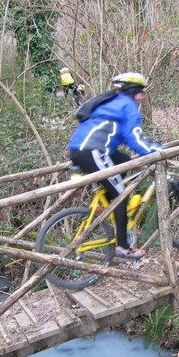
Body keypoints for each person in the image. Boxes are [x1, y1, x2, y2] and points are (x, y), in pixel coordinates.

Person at [68, 72, 163, 259]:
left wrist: (151, 145)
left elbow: (125, 139)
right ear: (133, 91)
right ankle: (123, 247)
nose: (144, 96)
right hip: (93, 152)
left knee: (128, 163)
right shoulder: (128, 106)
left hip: (82, 149)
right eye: (141, 92)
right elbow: (134, 139)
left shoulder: (114, 101)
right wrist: (156, 152)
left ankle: (108, 201)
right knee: (122, 196)